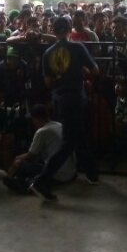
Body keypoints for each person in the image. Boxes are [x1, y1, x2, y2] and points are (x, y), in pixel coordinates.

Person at [29, 16, 100, 202]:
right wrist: (81, 71)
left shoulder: (47, 53)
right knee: (69, 142)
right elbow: (95, 71)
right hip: (76, 99)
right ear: (70, 30)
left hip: (59, 99)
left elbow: (48, 82)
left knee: (78, 134)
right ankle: (42, 180)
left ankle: (92, 172)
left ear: (53, 30)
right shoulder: (77, 47)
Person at [5, 104, 77, 193]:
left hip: (58, 175)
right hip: (71, 173)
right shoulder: (59, 125)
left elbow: (30, 155)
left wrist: (17, 159)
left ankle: (28, 183)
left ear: (37, 119)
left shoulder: (42, 131)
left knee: (21, 166)